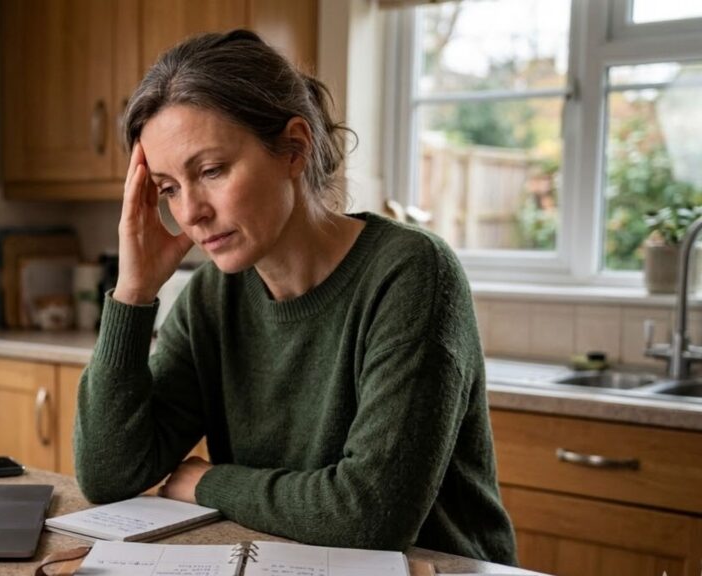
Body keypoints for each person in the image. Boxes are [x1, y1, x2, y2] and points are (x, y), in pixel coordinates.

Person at [73, 29, 518, 565]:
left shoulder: (412, 273)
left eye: (210, 171)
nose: (189, 212)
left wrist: (208, 482)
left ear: (294, 149)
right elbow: (109, 474)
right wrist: (133, 291)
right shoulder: (213, 295)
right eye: (168, 188)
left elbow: (370, 515)